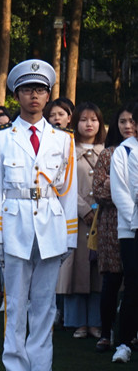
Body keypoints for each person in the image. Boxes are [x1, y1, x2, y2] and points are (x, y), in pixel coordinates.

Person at [0, 59, 77, 371]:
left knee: (45, 302)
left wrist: (70, 236)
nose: (34, 96)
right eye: (27, 90)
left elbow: (68, 191)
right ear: (16, 95)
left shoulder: (63, 140)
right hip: (14, 223)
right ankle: (17, 369)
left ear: (48, 95)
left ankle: (41, 369)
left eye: (39, 90)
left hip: (51, 225)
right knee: (16, 301)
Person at [56, 102, 106, 339]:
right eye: (84, 120)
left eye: (93, 120)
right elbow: (62, 184)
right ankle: (76, 321)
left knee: (98, 270)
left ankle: (96, 321)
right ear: (75, 123)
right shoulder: (67, 151)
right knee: (75, 267)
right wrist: (83, 209)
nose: (89, 124)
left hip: (102, 219)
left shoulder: (107, 151)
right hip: (75, 219)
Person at [92, 105, 135, 353]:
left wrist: (117, 183)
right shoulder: (109, 154)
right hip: (112, 223)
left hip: (133, 222)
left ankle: (130, 334)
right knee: (112, 279)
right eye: (122, 121)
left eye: (131, 121)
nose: (127, 126)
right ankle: (106, 332)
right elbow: (99, 190)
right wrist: (120, 189)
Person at [113, 105, 138, 363]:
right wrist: (134, 221)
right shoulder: (125, 151)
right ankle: (124, 342)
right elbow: (120, 191)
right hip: (130, 228)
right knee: (132, 283)